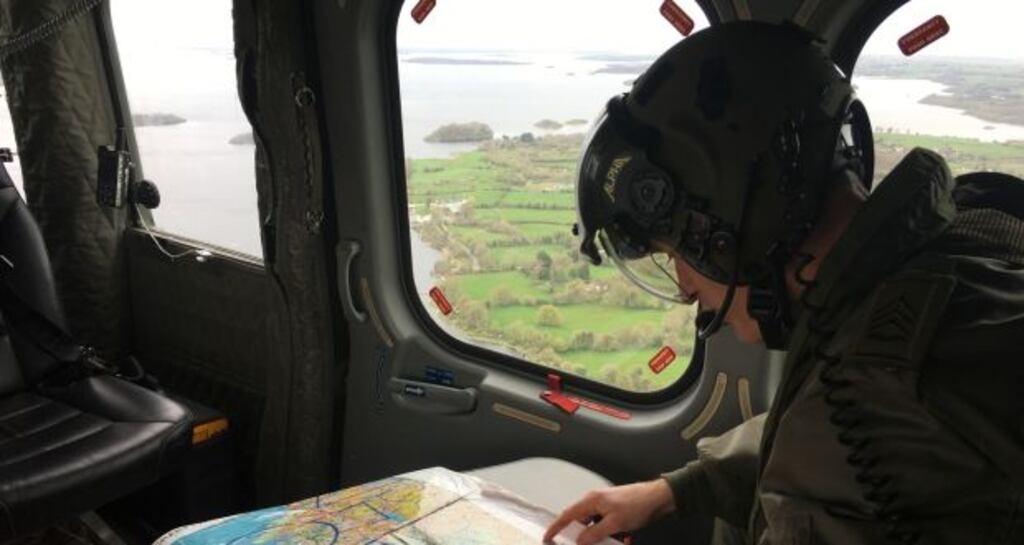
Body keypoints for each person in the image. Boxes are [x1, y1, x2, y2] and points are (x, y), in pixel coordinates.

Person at [545, 21, 1024, 545]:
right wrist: (677, 490)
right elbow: (823, 425)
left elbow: (845, 434)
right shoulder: (964, 233)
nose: (684, 290)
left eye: (673, 253)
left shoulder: (880, 400)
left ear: (729, 223)